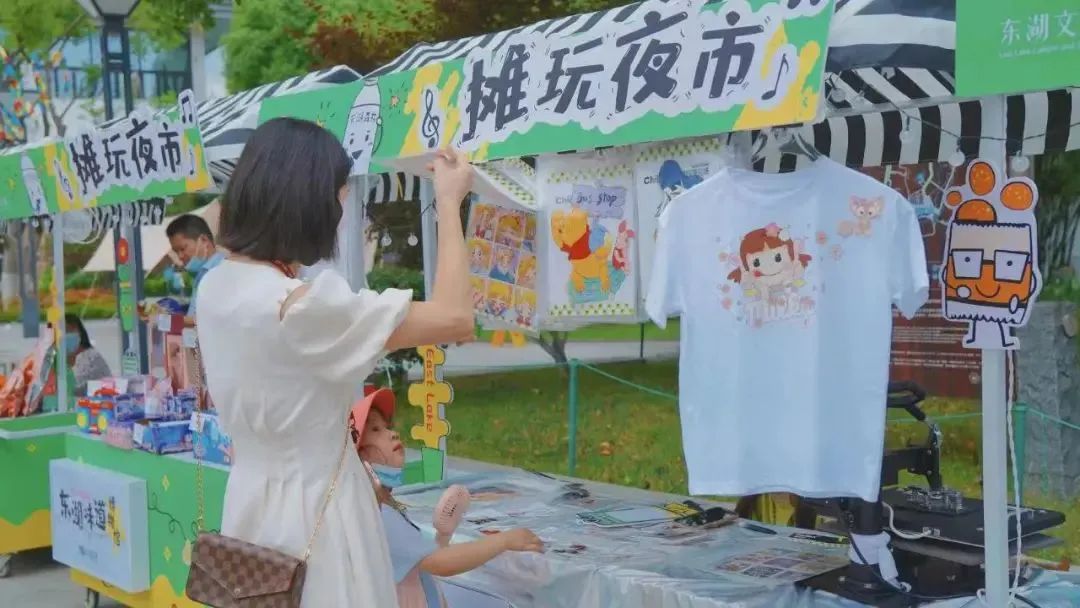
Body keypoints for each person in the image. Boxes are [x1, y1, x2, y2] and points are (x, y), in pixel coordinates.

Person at [194, 117, 476, 608]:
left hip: (251, 505)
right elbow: (456, 317)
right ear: (309, 204)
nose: (342, 210)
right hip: (319, 517)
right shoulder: (300, 309)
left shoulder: (217, 285)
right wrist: (450, 202)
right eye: (339, 196)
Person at [352, 389, 544, 608]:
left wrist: (443, 536)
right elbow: (439, 563)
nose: (392, 434)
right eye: (376, 429)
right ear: (357, 458)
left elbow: (417, 562)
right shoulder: (380, 515)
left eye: (387, 426)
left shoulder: (383, 508)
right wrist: (504, 541)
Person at [164, 214, 224, 325]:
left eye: (183, 248)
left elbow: (209, 321)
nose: (180, 256)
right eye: (176, 251)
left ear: (204, 240)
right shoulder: (202, 273)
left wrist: (165, 320)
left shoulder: (220, 271)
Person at [65, 314, 111, 396]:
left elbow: (75, 388)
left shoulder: (92, 357)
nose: (66, 334)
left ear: (80, 333)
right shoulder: (63, 358)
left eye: (70, 330)